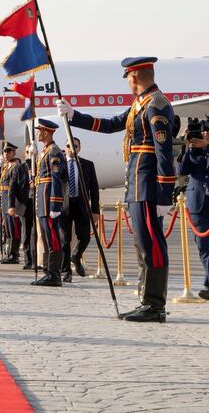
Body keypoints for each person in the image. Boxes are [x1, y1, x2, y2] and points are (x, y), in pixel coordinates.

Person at [58, 57, 176, 321]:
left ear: (134, 76)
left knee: (152, 244)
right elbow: (111, 124)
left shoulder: (156, 105)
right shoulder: (140, 104)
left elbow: (164, 153)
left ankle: (155, 305)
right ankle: (146, 299)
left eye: (127, 77)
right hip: (137, 184)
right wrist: (74, 116)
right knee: (142, 244)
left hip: (148, 186)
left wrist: (165, 194)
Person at [30, 119, 67, 287]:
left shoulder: (53, 152)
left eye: (39, 131)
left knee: (52, 239)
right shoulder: (46, 151)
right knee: (46, 239)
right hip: (42, 202)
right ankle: (47, 271)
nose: (37, 133)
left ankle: (54, 274)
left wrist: (55, 205)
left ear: (46, 133)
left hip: (49, 203)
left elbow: (56, 179)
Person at [177, 119, 209, 300]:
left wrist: (206, 148)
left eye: (206, 132)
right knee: (203, 246)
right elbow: (182, 170)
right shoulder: (192, 151)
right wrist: (186, 146)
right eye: (201, 132)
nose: (203, 135)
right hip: (197, 204)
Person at [60, 137, 100, 281]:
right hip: (64, 205)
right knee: (65, 239)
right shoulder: (59, 164)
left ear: (79, 148)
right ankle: (66, 272)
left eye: (75, 146)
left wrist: (95, 210)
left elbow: (94, 189)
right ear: (65, 148)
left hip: (81, 205)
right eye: (68, 146)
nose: (72, 149)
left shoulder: (88, 165)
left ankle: (75, 256)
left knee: (84, 237)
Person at [0, 143, 28, 265]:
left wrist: (12, 205)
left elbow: (16, 188)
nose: (6, 154)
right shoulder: (6, 168)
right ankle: (9, 253)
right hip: (4, 202)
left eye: (9, 151)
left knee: (14, 230)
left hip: (11, 203)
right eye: (5, 152)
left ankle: (14, 255)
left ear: (14, 152)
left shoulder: (16, 167)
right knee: (8, 230)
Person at [22, 144, 37, 270]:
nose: (30, 154)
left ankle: (37, 260)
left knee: (36, 234)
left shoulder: (38, 165)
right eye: (28, 152)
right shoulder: (21, 167)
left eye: (32, 152)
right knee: (26, 234)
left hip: (38, 202)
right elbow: (17, 185)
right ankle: (28, 260)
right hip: (26, 203)